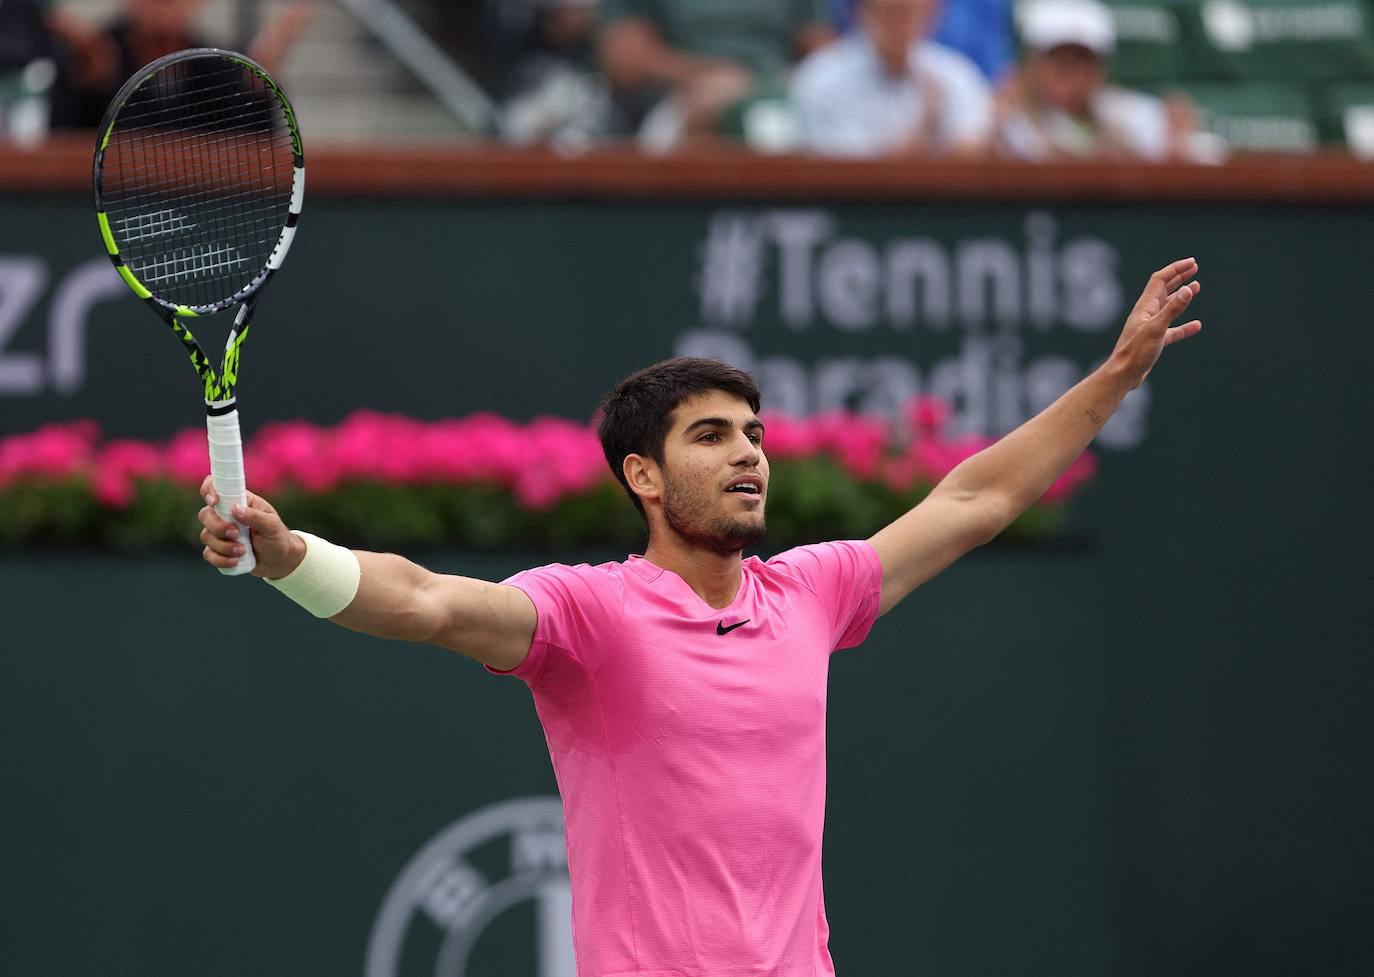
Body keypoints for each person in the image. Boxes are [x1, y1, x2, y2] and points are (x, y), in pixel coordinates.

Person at [197, 258, 1203, 974]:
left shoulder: (813, 591)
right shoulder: (591, 613)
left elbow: (973, 501)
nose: (749, 454)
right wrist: (290, 556)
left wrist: (1116, 375)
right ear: (643, 473)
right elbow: (424, 601)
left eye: (755, 433)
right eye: (712, 435)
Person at [994, 0, 1217, 162]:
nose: (1071, 74)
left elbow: (1206, 155)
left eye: (1083, 61)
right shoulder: (1008, 119)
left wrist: (1178, 146)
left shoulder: (1131, 114)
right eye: (1059, 60)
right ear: (1034, 64)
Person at [597, 0, 834, 149]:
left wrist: (791, 81)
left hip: (776, 92)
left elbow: (821, 50)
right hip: (678, 98)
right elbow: (625, 62)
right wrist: (705, 78)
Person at [793, 0, 993, 158]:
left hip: (945, 207)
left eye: (914, 12)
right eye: (892, 12)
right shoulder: (821, 78)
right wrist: (923, 134)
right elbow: (847, 172)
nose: (903, 25)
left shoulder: (956, 74)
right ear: (861, 12)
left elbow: (973, 151)